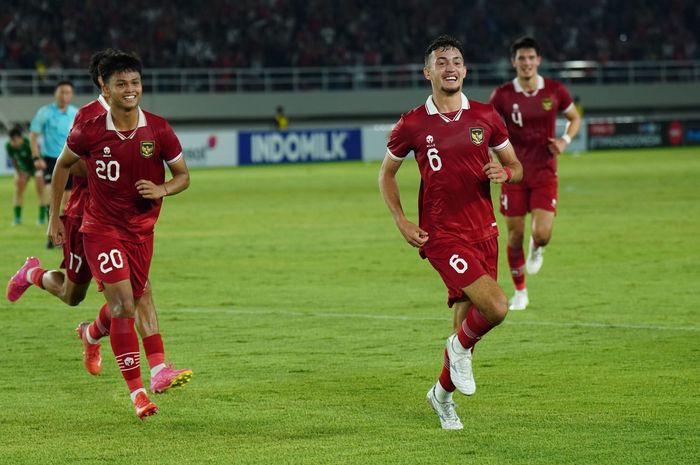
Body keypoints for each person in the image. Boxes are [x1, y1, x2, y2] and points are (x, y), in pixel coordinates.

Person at [6, 49, 192, 398]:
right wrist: (57, 216)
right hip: (85, 216)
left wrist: (154, 188)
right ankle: (34, 275)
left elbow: (177, 173)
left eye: (133, 81)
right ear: (104, 86)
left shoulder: (148, 123)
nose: (128, 88)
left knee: (136, 293)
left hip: (123, 224)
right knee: (73, 293)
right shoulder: (89, 119)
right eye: (120, 82)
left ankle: (152, 367)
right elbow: (69, 165)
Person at [378, 35, 523, 430]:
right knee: (495, 307)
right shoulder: (411, 123)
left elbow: (516, 166)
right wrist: (402, 220)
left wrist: (505, 172)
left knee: (466, 328)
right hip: (442, 234)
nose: (451, 67)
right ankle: (456, 348)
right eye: (442, 62)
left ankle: (441, 397)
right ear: (428, 72)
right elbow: (387, 174)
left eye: (457, 60)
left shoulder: (486, 116)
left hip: (484, 231)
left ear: (466, 69)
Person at [489, 37, 581, 311]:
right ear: (513, 62)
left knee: (541, 234)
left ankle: (538, 245)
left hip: (544, 171)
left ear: (538, 61)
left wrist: (564, 140)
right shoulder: (503, 94)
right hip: (514, 173)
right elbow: (487, 126)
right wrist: (493, 156)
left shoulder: (554, 90)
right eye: (521, 58)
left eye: (531, 58)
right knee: (514, 237)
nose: (527, 63)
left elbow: (575, 118)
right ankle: (520, 292)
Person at [29, 80, 78, 247]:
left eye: (68, 93)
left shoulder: (75, 113)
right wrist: (36, 157)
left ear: (71, 95)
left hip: (70, 161)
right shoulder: (45, 112)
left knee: (67, 202)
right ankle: (50, 236)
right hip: (51, 161)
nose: (64, 96)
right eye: (61, 92)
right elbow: (33, 136)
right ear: (55, 94)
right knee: (52, 199)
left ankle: (62, 238)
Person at [5, 126, 47, 225]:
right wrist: (19, 173)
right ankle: (17, 218)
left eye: (14, 140)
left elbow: (38, 159)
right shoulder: (9, 146)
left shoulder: (28, 144)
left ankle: (41, 218)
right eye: (11, 140)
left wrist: (38, 173)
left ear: (19, 138)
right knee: (18, 190)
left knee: (40, 191)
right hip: (24, 168)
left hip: (36, 167)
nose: (13, 143)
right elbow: (14, 160)